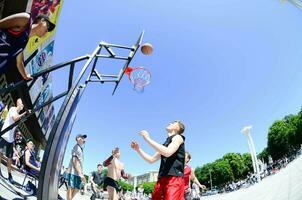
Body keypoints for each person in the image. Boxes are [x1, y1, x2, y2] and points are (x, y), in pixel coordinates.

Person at [131, 120, 186, 200]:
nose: (170, 123)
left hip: (173, 178)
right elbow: (151, 160)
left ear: (178, 128)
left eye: (173, 123)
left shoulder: (178, 137)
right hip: (161, 179)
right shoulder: (165, 144)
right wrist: (138, 149)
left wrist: (147, 139)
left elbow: (168, 152)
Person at [0, 12, 55, 80]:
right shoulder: (26, 19)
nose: (47, 30)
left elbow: (19, 63)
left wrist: (25, 76)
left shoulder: (24, 41)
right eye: (48, 26)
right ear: (42, 20)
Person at [0, 98, 29, 184]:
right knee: (0, 154)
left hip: (10, 139)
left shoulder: (19, 113)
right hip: (5, 137)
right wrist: (24, 113)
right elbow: (15, 118)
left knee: (9, 159)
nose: (23, 106)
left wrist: (26, 114)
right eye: (22, 104)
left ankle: (9, 176)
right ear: (19, 104)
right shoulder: (13, 109)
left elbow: (15, 127)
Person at [66, 134, 87, 200]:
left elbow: (79, 162)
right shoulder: (76, 147)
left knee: (77, 188)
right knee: (71, 188)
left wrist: (81, 172)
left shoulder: (80, 148)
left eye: (84, 138)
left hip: (78, 172)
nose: (84, 139)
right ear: (78, 138)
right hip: (73, 172)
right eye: (82, 137)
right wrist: (80, 173)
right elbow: (74, 160)